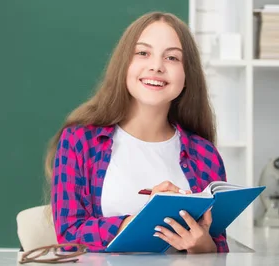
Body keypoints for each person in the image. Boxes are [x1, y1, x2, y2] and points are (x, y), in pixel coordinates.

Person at [43, 11, 229, 254]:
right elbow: (69, 236)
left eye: (172, 58)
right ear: (124, 65)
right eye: (143, 53)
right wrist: (144, 218)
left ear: (187, 76)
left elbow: (220, 246)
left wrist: (204, 246)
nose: (156, 66)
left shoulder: (205, 155)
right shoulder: (79, 141)